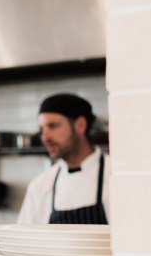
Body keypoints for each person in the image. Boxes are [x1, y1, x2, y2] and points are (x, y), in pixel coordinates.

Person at [17, 93, 109, 224]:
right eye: (41, 129)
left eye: (53, 126)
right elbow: (24, 240)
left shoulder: (115, 177)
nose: (45, 137)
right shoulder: (40, 186)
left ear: (80, 125)